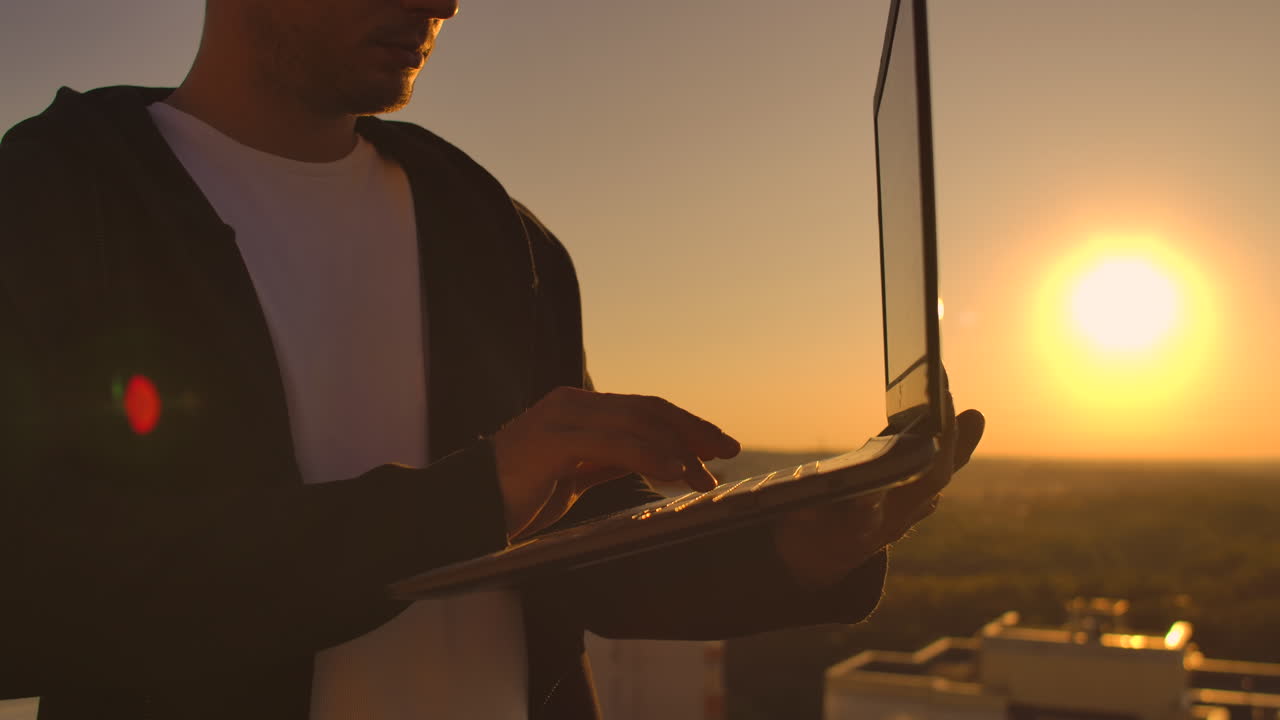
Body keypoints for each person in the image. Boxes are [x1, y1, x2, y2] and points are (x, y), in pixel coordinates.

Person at [0, 1, 985, 718]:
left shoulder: (491, 231)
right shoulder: (56, 202)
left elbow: (581, 563)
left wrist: (799, 550)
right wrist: (469, 498)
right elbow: (41, 591)